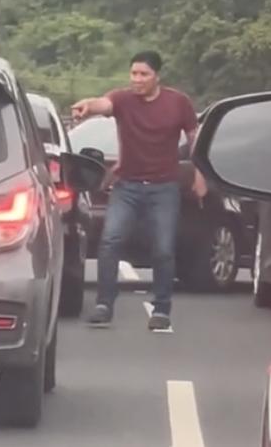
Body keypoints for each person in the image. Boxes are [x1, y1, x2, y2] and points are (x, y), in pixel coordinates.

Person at [71, 51, 207, 331]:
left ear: (157, 76)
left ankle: (161, 309)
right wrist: (87, 105)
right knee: (110, 241)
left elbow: (195, 138)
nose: (137, 79)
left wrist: (200, 173)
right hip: (127, 186)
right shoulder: (122, 99)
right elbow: (104, 103)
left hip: (164, 187)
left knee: (163, 249)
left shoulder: (178, 102)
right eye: (134, 73)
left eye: (144, 74)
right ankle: (104, 304)